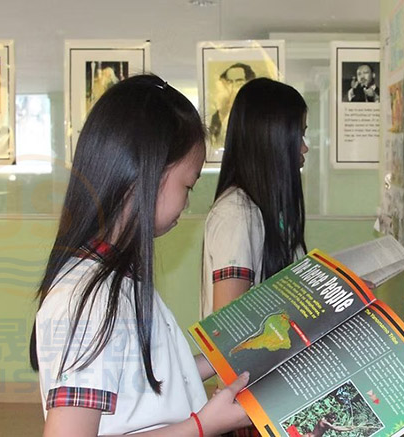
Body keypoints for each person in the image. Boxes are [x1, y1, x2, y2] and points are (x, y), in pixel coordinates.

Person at [29, 74, 252, 437]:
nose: (187, 201)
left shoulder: (116, 278)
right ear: (147, 174)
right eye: (188, 185)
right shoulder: (87, 299)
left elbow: (141, 384)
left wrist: (219, 361)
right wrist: (202, 425)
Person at [201, 77, 309, 318]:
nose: (304, 148)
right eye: (298, 136)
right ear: (273, 141)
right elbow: (231, 327)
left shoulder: (265, 210)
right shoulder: (236, 214)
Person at [208, 63, 257, 153]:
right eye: (229, 82)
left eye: (239, 82)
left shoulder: (256, 119)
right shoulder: (217, 118)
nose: (233, 88)